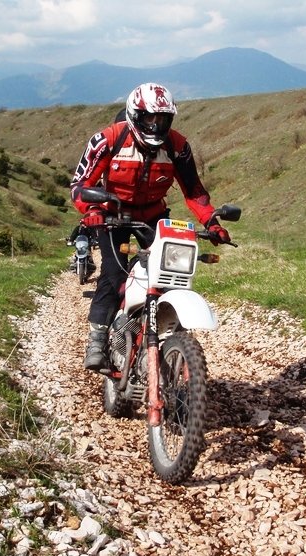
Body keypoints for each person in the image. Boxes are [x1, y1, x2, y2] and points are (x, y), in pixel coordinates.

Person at [70, 82, 231, 371]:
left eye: (163, 120)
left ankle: (163, 334)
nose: (156, 126)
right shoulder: (108, 140)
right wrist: (92, 209)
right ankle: (98, 338)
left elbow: (193, 190)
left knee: (169, 272)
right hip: (111, 215)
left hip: (153, 215)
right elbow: (80, 185)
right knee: (112, 272)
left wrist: (212, 221)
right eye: (150, 118)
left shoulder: (178, 146)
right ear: (135, 114)